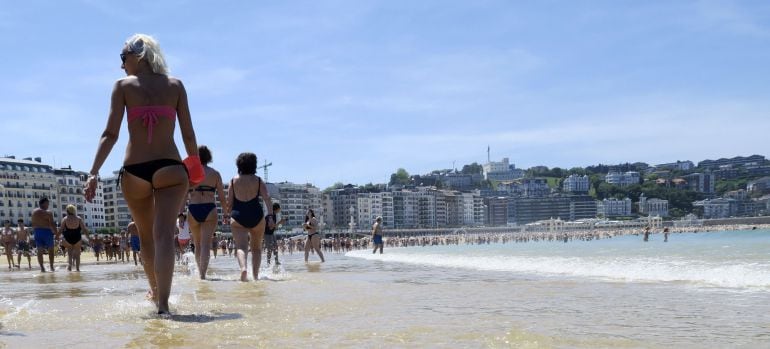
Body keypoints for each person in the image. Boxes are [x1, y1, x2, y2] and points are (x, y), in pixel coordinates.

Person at [84, 33, 203, 315]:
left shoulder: (123, 87)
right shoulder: (175, 86)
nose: (121, 65)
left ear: (137, 55)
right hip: (171, 168)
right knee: (164, 236)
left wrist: (93, 172)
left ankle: (155, 293)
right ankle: (163, 303)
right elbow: (188, 133)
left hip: (134, 171)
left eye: (122, 58)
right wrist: (195, 166)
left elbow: (109, 134)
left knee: (147, 237)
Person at [227, 152, 273, 281]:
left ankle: (243, 269)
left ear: (239, 164)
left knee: (241, 247)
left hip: (238, 216)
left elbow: (229, 203)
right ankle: (256, 276)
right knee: (257, 248)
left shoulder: (233, 180)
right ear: (254, 165)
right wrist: (270, 216)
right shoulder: (258, 180)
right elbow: (267, 199)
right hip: (256, 216)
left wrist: (226, 215)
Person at [187, 145, 227, 279]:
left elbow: (182, 194)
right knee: (205, 244)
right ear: (209, 157)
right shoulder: (215, 173)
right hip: (209, 208)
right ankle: (203, 274)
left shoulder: (190, 172)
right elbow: (222, 197)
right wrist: (226, 213)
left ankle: (200, 273)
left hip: (193, 208)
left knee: (197, 244)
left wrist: (180, 211)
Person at [31, 197, 59, 272]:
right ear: (43, 203)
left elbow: (33, 224)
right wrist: (57, 234)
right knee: (51, 250)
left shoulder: (34, 212)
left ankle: (42, 268)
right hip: (47, 232)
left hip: (37, 232)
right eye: (47, 203)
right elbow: (52, 224)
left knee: (39, 251)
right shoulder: (48, 212)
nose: (48, 205)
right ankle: (51, 267)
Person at [59, 205, 90, 272]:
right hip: (77, 237)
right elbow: (84, 229)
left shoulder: (65, 219)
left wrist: (57, 236)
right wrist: (88, 237)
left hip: (68, 237)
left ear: (67, 211)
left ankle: (69, 267)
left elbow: (61, 229)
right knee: (77, 254)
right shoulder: (79, 219)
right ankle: (77, 269)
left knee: (69, 253)